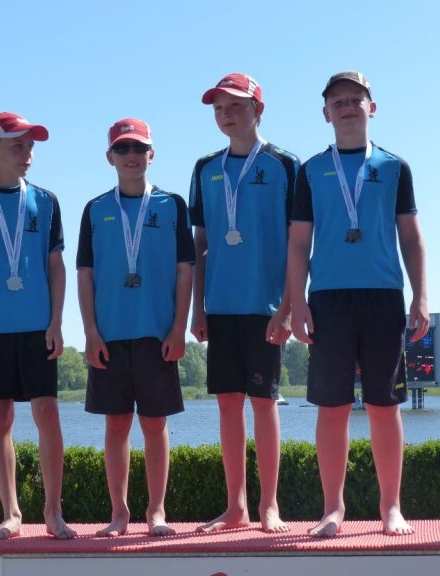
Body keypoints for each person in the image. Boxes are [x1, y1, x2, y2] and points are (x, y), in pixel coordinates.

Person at [288, 71, 429, 537]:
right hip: (327, 300)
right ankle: (333, 508)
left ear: (372, 107)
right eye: (338, 102)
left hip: (383, 296)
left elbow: (411, 237)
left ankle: (391, 508)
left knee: (385, 406)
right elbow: (298, 243)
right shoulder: (310, 171)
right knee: (332, 407)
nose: (347, 107)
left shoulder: (394, 167)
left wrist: (421, 295)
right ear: (325, 113)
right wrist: (296, 302)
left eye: (355, 99)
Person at [0, 112, 76, 540]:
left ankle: (53, 512)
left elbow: (56, 267)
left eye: (31, 146)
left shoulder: (46, 200)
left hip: (38, 326)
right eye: (17, 146)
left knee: (48, 413)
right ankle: (11, 514)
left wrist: (57, 321)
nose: (28, 154)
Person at [189, 72, 299, 533]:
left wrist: (289, 306)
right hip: (221, 305)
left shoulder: (285, 164)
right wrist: (198, 307)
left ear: (258, 109)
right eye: (219, 108)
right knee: (227, 405)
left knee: (264, 403)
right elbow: (199, 244)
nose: (226, 114)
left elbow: (299, 241)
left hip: (265, 306)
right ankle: (236, 507)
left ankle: (269, 504)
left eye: (235, 105)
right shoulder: (205, 168)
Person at [77, 118, 194, 537]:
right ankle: (119, 514)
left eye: (139, 148)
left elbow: (185, 270)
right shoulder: (95, 209)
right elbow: (86, 275)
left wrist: (179, 328)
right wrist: (90, 332)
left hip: (156, 334)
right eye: (123, 149)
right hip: (109, 336)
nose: (131, 156)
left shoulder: (172, 205)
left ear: (152, 155)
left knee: (155, 425)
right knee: (115, 425)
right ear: (109, 157)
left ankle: (156, 511)